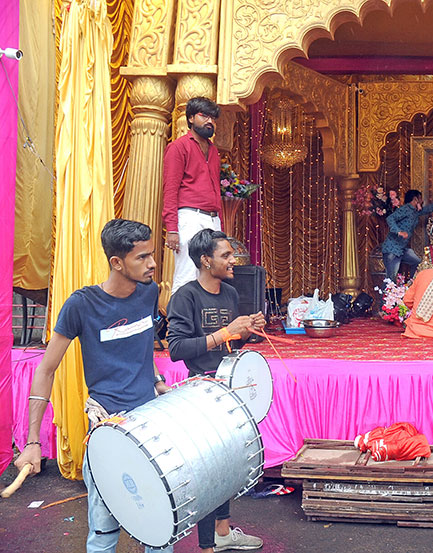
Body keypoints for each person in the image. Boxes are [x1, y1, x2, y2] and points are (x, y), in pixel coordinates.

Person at [14, 219, 173, 553]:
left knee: (160, 532)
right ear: (116, 262)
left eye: (152, 255)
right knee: (103, 534)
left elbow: (142, 345)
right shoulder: (82, 305)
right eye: (142, 257)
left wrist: (156, 380)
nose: (153, 264)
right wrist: (31, 441)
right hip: (108, 433)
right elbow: (45, 369)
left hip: (151, 427)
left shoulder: (149, 292)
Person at [166, 229, 265, 552]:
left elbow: (232, 343)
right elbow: (177, 348)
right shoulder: (186, 296)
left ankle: (223, 533)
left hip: (227, 389)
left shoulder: (231, 293)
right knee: (209, 470)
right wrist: (225, 332)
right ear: (205, 261)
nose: (233, 260)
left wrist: (248, 332)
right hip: (200, 393)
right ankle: (207, 545)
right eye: (225, 255)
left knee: (229, 465)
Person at [163, 96, 222, 295]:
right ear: (190, 119)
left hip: (212, 219)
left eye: (213, 118)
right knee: (187, 274)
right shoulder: (178, 147)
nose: (209, 121)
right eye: (203, 115)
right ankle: (179, 326)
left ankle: (204, 325)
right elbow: (170, 189)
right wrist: (171, 228)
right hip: (189, 217)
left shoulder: (214, 151)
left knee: (211, 275)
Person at [381, 189, 433, 282]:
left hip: (401, 249)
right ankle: (387, 296)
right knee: (391, 279)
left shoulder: (414, 211)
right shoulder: (405, 209)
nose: (422, 201)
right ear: (415, 199)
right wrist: (399, 231)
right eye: (420, 198)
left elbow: (427, 209)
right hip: (392, 249)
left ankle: (411, 284)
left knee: (418, 262)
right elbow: (390, 218)